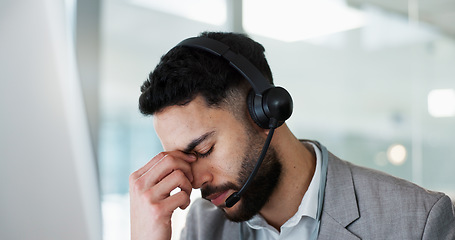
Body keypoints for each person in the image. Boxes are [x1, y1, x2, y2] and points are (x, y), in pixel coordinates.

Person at [129, 31, 455, 240]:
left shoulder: (416, 222)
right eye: (183, 160)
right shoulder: (205, 227)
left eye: (204, 149)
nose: (196, 180)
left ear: (265, 112)